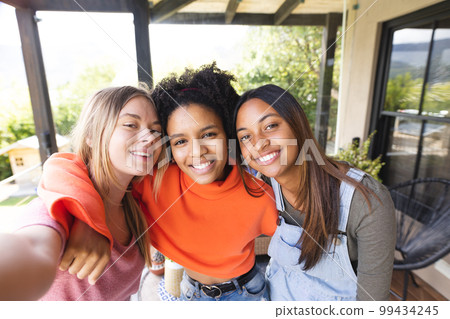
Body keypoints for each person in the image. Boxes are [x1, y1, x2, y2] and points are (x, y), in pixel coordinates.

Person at [36, 63, 278, 301]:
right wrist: (86, 216)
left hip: (246, 292)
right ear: (169, 147)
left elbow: (298, 235)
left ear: (227, 134)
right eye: (180, 141)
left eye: (208, 134)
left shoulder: (257, 193)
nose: (197, 151)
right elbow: (63, 165)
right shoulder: (153, 183)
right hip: (190, 291)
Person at [0, 85, 166, 300]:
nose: (150, 138)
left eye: (155, 130)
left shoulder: (136, 205)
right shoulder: (59, 208)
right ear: (91, 135)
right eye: (130, 125)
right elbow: (32, 249)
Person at [233, 84, 396, 301]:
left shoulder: (366, 201)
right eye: (245, 137)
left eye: (271, 126)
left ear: (297, 124)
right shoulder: (264, 185)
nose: (259, 144)